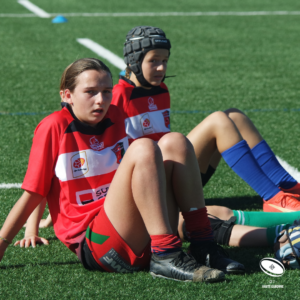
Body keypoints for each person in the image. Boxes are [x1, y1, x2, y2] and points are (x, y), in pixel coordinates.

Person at [0, 57, 242, 283]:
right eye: (90, 92)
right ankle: (166, 255)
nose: (100, 100)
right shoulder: (53, 126)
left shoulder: (116, 115)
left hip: (141, 235)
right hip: (98, 245)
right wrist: (2, 244)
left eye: (107, 92)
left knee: (175, 141)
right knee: (144, 147)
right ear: (67, 95)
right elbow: (33, 193)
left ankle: (202, 244)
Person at [111, 25, 300, 213]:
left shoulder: (161, 90)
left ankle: (291, 188)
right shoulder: (118, 96)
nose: (161, 67)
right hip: (149, 190)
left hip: (171, 178)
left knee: (235, 116)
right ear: (134, 61)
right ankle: (274, 199)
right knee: (219, 121)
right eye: (153, 61)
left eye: (165, 60)